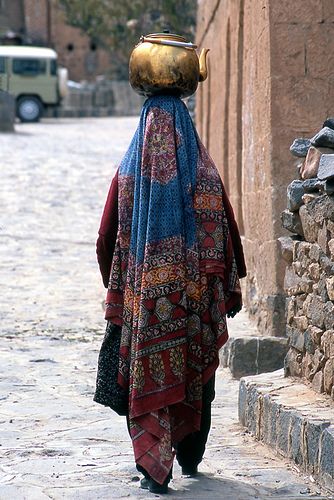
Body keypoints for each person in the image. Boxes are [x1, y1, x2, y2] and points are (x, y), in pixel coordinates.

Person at [94, 95, 246, 494]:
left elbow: (105, 237)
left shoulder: (128, 174)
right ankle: (190, 455)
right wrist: (229, 285)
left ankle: (152, 468)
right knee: (197, 371)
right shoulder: (204, 171)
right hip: (194, 304)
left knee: (144, 374)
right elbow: (227, 232)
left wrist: (120, 286)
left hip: (143, 303)